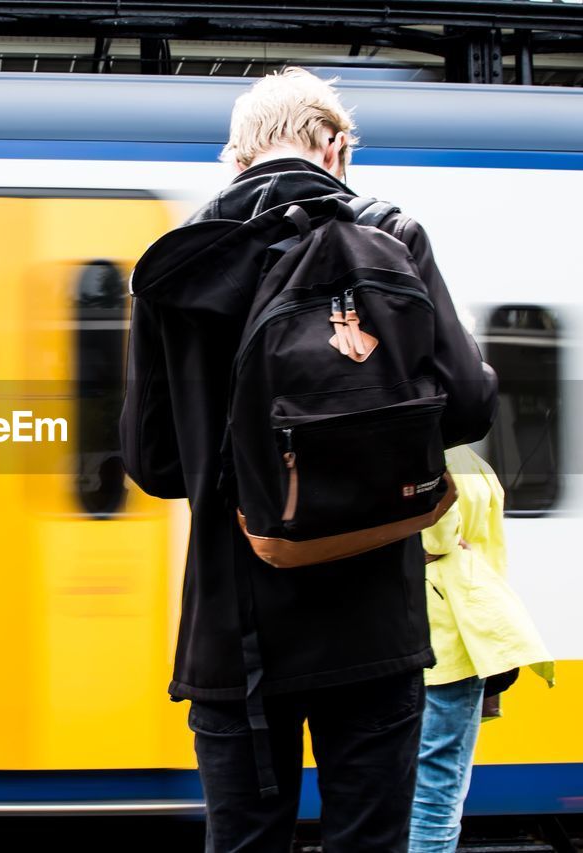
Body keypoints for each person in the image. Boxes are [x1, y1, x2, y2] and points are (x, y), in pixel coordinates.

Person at [120, 67, 498, 853]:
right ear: (334, 147)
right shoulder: (392, 238)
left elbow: (153, 462)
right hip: (373, 622)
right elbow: (467, 406)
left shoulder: (175, 266)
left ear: (237, 157)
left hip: (235, 631)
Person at [410, 445, 555, 853]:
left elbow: (434, 539)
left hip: (422, 629)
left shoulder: (424, 452)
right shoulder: (466, 458)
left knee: (408, 787)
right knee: (437, 793)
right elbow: (439, 537)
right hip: (452, 638)